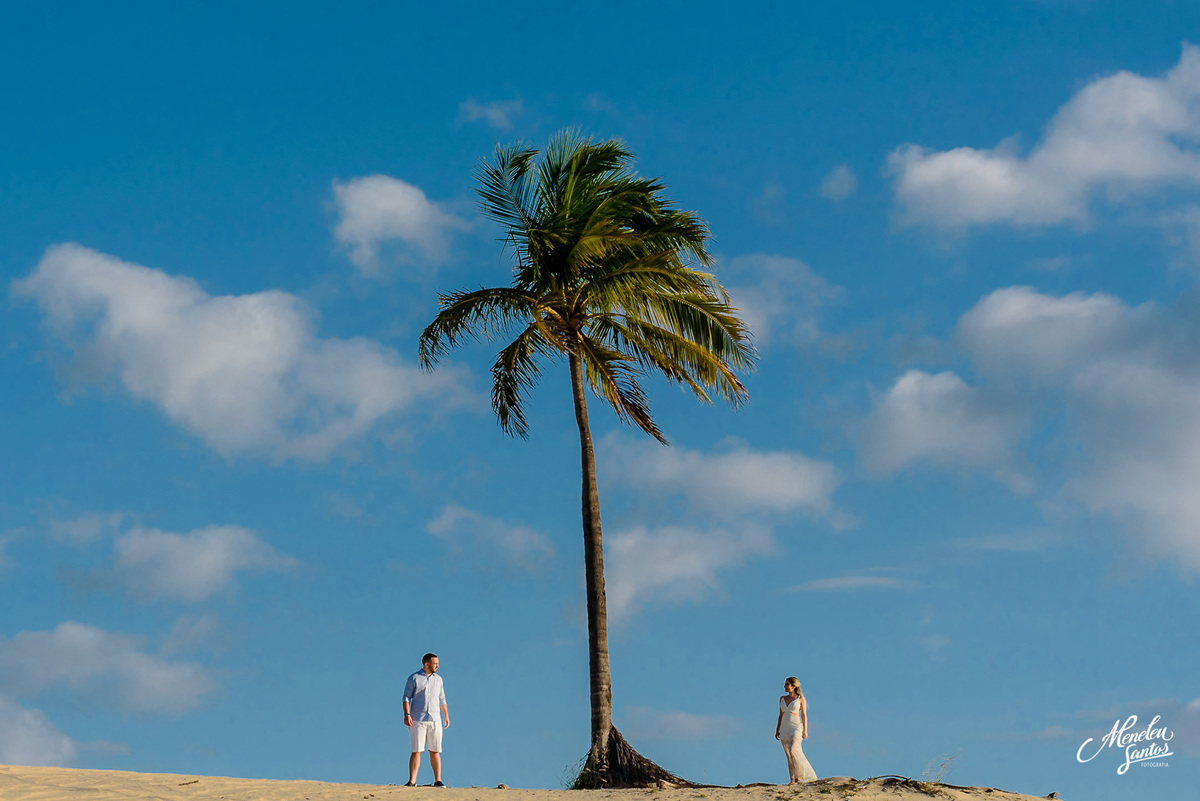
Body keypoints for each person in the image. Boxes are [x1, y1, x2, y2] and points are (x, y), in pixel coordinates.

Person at [403, 653, 450, 787]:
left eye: (437, 663)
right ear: (426, 664)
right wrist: (406, 714)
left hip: (435, 718)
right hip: (418, 719)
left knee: (435, 750)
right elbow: (406, 697)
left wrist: (446, 715)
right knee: (417, 750)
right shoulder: (414, 678)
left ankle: (438, 780)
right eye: (435, 664)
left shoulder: (439, 679)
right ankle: (412, 781)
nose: (437, 666)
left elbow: (442, 698)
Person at [775, 676, 817, 784]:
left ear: (793, 686)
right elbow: (780, 715)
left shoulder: (800, 698)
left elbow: (804, 715)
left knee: (794, 750)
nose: (785, 686)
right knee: (788, 754)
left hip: (796, 726)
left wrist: (805, 730)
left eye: (787, 684)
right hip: (784, 727)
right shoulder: (782, 699)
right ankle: (793, 779)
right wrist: (777, 729)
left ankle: (801, 775)